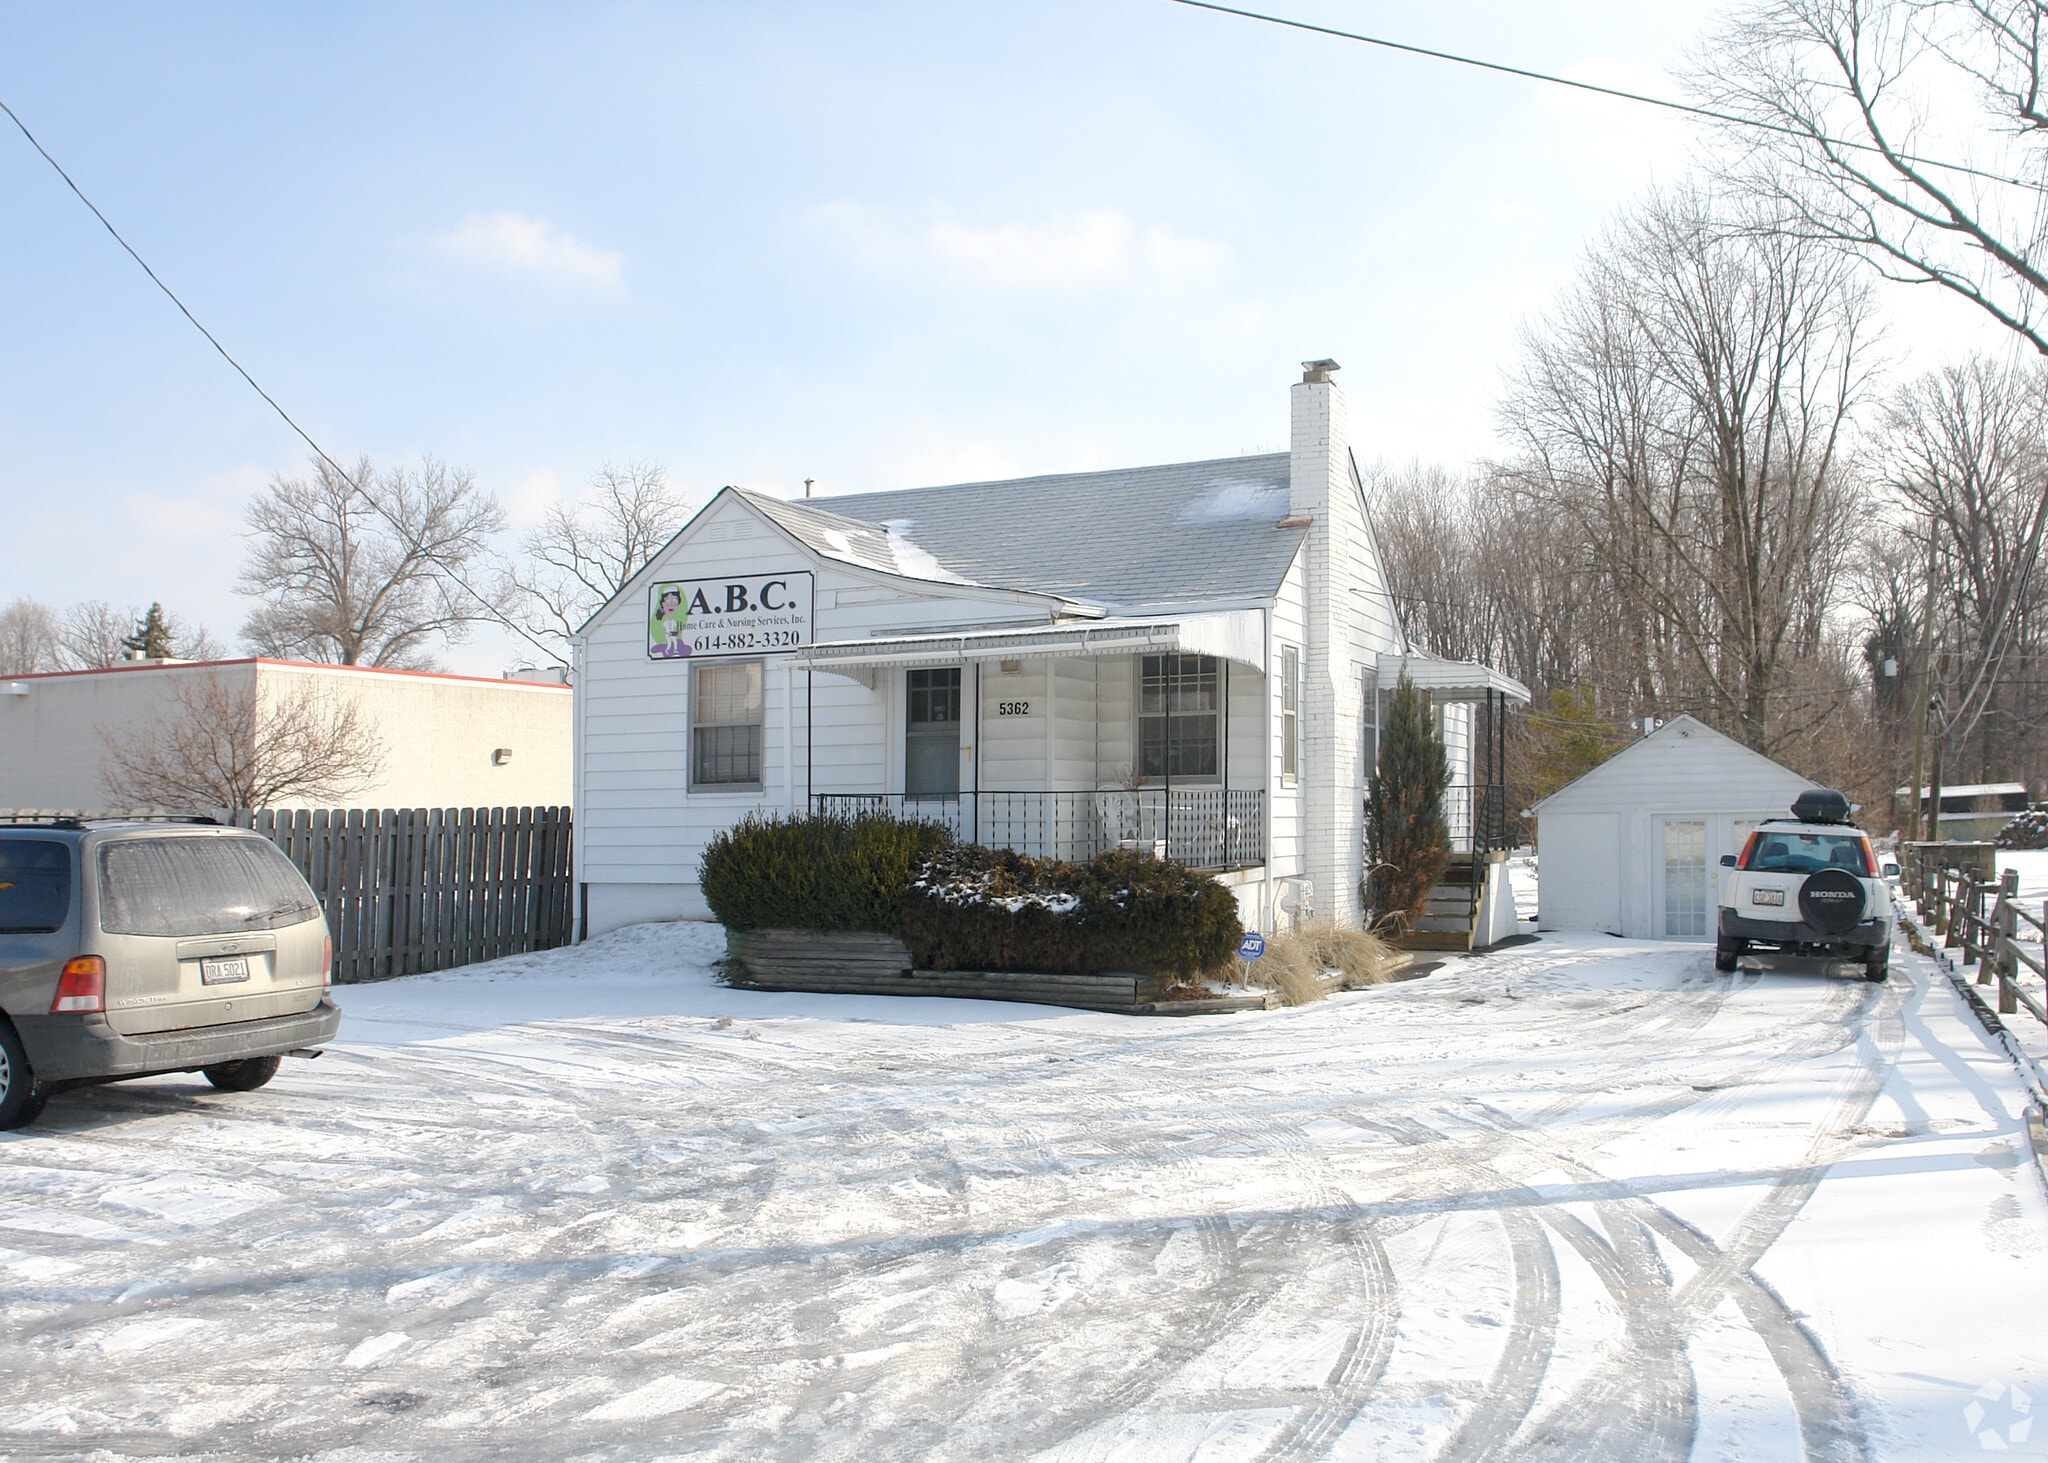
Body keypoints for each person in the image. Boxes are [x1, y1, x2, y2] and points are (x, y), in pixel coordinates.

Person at [649, 587, 688, 658]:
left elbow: (677, 629)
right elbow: (663, 628)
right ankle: (667, 650)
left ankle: (674, 650)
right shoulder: (664, 621)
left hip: (673, 635)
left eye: (675, 600)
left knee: (675, 642)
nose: (672, 604)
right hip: (668, 635)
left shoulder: (674, 621)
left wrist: (678, 632)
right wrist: (667, 633)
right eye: (668, 601)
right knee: (670, 643)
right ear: (663, 604)